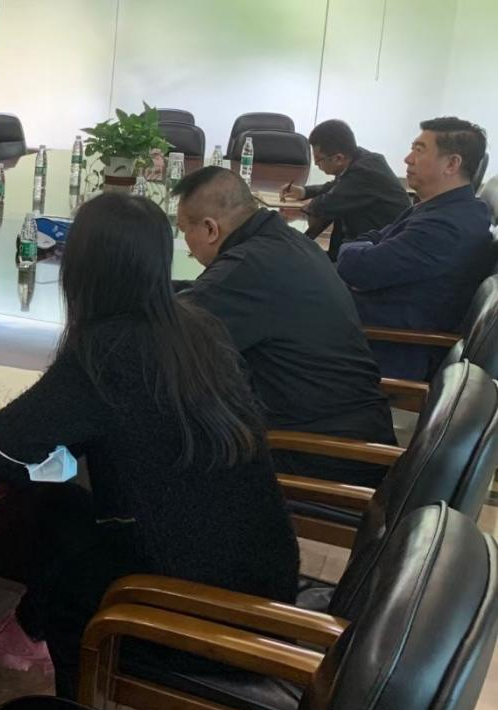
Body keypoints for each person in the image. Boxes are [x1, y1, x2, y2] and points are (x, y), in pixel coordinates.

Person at [0, 193, 298, 697]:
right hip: (266, 584)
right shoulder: (199, 326)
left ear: (79, 269)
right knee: (71, 506)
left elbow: (0, 450)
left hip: (194, 618)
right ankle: (28, 626)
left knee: (58, 522)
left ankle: (76, 699)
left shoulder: (104, 352)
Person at [174, 166, 395, 484]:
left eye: (185, 230)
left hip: (320, 454)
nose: (186, 242)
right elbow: (203, 295)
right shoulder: (284, 242)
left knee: (165, 441)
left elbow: (166, 337)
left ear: (210, 228)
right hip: (353, 433)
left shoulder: (247, 266)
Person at [337, 117, 494, 380]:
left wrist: (357, 254)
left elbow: (357, 268)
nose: (408, 159)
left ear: (452, 164)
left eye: (419, 150)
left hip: (385, 349)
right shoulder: (439, 207)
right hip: (368, 324)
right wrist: (360, 252)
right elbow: (369, 240)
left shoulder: (447, 226)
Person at [280, 119, 409, 260]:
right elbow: (337, 186)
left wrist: (303, 208)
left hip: (379, 251)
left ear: (338, 158)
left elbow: (327, 203)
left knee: (300, 258)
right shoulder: (357, 158)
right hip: (363, 241)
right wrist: (303, 192)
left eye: (319, 159)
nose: (316, 164)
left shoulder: (365, 172)